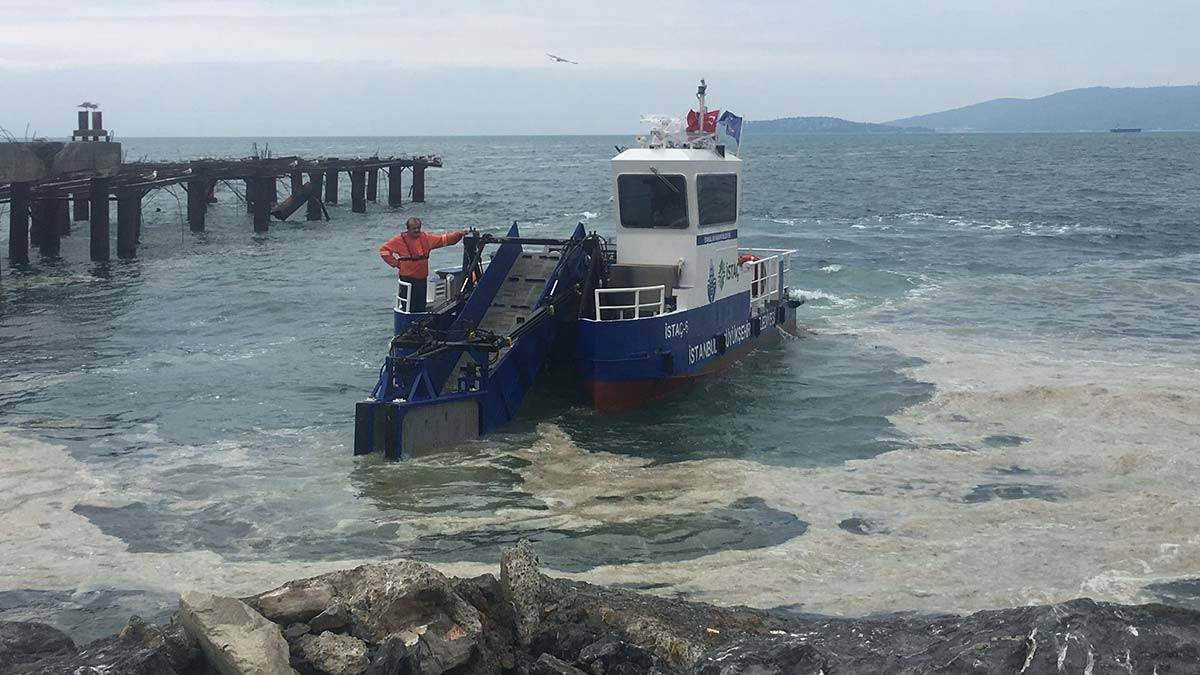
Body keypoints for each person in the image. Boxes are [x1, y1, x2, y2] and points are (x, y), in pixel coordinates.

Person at [379, 217, 466, 312]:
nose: (416, 230)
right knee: (408, 306)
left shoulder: (426, 238)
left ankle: (420, 319)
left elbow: (443, 240)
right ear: (408, 229)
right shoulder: (399, 240)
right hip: (407, 278)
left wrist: (458, 234)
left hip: (421, 279)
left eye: (418, 228)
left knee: (420, 305)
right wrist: (396, 263)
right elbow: (384, 250)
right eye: (414, 228)